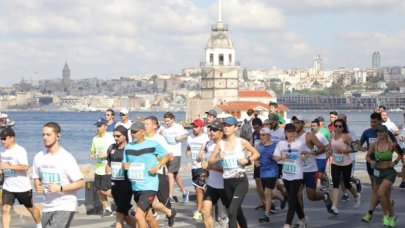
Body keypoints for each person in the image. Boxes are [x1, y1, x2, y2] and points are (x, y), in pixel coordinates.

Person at [209, 116, 260, 228]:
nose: (226, 128)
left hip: (240, 181)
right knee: (237, 212)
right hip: (227, 182)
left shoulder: (242, 142)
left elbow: (256, 153)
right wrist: (218, 158)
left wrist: (247, 160)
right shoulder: (220, 144)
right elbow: (211, 160)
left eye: (229, 125)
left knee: (231, 212)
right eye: (224, 125)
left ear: (236, 128)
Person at [32, 122, 84, 227]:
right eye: (43, 135)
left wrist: (60, 188)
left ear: (58, 135)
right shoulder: (39, 157)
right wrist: (37, 186)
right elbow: (36, 177)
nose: (45, 137)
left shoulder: (66, 158)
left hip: (65, 204)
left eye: (48, 134)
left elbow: (80, 183)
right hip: (47, 205)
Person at [123, 121, 171, 228]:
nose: (133, 134)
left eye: (135, 132)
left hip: (149, 185)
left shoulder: (152, 144)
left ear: (143, 132)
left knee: (139, 216)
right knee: (148, 217)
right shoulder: (128, 147)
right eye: (132, 132)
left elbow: (167, 156)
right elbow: (124, 163)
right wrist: (125, 167)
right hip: (136, 186)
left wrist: (158, 166)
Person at [0, 128, 42, 228]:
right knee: (5, 208)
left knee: (30, 208)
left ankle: (39, 224)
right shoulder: (1, 150)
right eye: (1, 138)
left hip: (22, 187)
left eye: (4, 138)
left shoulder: (20, 150)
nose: (2, 141)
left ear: (12, 138)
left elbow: (25, 167)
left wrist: (7, 167)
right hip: (8, 186)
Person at [291, 115, 333, 216]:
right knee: (297, 193)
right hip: (298, 170)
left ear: (303, 124)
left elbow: (322, 147)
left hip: (310, 170)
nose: (296, 125)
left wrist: (312, 152)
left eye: (298, 123)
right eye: (294, 123)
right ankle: (302, 219)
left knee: (311, 196)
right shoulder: (291, 136)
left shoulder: (309, 135)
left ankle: (325, 196)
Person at [144, 116, 177, 227]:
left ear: (155, 126)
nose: (145, 126)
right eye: (144, 124)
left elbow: (170, 155)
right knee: (146, 200)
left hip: (159, 173)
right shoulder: (142, 138)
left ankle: (169, 215)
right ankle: (151, 216)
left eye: (147, 124)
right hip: (146, 174)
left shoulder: (159, 139)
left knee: (163, 200)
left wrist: (158, 164)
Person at [365, 124, 401, 227]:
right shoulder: (374, 144)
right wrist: (371, 161)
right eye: (378, 131)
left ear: (386, 133)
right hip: (378, 172)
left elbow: (401, 153)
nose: (379, 133)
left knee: (380, 193)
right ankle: (392, 217)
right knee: (386, 196)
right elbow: (367, 156)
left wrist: (395, 162)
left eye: (381, 131)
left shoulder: (392, 145)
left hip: (389, 173)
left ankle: (385, 216)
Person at [273, 123, 307, 228]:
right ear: (285, 133)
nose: (291, 134)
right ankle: (303, 218)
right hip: (286, 175)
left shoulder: (300, 143)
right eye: (289, 132)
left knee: (291, 198)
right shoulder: (281, 144)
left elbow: (307, 153)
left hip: (297, 174)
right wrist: (279, 158)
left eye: (293, 131)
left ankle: (287, 223)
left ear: (295, 133)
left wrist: (303, 157)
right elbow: (275, 157)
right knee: (294, 199)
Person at [105, 126, 136, 228]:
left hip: (126, 185)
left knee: (119, 213)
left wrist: (129, 167)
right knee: (125, 214)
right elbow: (109, 163)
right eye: (114, 136)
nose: (116, 138)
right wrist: (108, 169)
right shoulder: (112, 148)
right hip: (114, 184)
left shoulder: (130, 148)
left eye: (118, 136)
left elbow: (137, 164)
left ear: (125, 136)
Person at [200, 120, 228, 228]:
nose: (211, 132)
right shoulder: (209, 145)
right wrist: (206, 172)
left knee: (234, 215)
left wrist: (210, 167)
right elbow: (208, 164)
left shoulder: (226, 146)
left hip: (226, 186)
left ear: (221, 132)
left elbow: (227, 169)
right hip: (212, 186)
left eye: (215, 130)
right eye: (211, 130)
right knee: (205, 212)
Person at [330, 119, 361, 215]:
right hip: (335, 163)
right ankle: (334, 206)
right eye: (336, 126)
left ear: (343, 128)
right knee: (335, 183)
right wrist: (329, 153)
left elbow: (355, 148)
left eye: (340, 126)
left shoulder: (346, 136)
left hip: (346, 163)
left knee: (347, 183)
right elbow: (332, 147)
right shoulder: (333, 135)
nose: (338, 128)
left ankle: (356, 196)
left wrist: (345, 150)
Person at [160, 112, 189, 203]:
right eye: (165, 121)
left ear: (172, 119)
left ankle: (170, 196)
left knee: (170, 175)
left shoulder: (178, 127)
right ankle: (184, 191)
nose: (166, 123)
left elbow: (186, 135)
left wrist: (180, 137)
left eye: (168, 121)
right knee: (175, 176)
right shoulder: (163, 128)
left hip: (176, 154)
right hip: (167, 155)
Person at [89, 118, 115, 217]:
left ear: (105, 126)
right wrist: (91, 154)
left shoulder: (110, 137)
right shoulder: (95, 138)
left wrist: (106, 154)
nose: (98, 127)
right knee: (99, 191)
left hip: (107, 169)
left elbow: (114, 150)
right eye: (97, 125)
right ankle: (108, 210)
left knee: (104, 190)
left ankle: (122, 200)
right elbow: (93, 151)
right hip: (98, 169)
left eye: (100, 125)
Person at [186, 119, 210, 221]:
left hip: (203, 166)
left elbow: (210, 151)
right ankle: (206, 209)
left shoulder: (205, 138)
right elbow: (188, 148)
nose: (194, 129)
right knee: (199, 189)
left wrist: (204, 158)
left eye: (196, 127)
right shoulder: (190, 137)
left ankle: (199, 211)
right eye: (193, 127)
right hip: (194, 167)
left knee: (199, 189)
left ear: (201, 127)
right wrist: (188, 153)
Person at [256, 127, 279, 223]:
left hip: (272, 172)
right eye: (261, 135)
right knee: (269, 194)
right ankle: (282, 197)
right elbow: (255, 156)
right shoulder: (258, 145)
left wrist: (276, 157)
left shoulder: (275, 145)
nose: (262, 137)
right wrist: (255, 162)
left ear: (269, 136)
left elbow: (280, 156)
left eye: (264, 135)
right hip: (263, 173)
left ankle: (266, 215)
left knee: (267, 193)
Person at [250, 117, 266, 211]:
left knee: (266, 184)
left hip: (266, 162)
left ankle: (271, 201)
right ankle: (263, 201)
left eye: (257, 127)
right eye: (254, 128)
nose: (256, 129)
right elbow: (252, 148)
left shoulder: (266, 134)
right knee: (257, 181)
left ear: (261, 126)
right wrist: (254, 161)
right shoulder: (254, 134)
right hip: (257, 161)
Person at [310, 119, 331, 191]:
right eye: (311, 126)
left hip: (321, 157)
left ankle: (326, 179)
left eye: (314, 126)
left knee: (319, 174)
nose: (312, 127)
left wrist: (321, 151)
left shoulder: (321, 136)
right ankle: (321, 185)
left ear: (318, 127)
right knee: (313, 173)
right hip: (312, 158)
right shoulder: (309, 136)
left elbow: (328, 146)